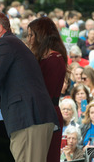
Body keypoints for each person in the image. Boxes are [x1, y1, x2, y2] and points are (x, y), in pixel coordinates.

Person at [0, 11, 59, 162]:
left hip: (29, 119)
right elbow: (8, 85)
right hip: (31, 119)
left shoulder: (5, 43)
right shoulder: (12, 44)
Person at [27, 16, 68, 162]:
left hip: (47, 116)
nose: (29, 39)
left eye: (32, 35)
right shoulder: (45, 58)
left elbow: (45, 93)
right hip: (41, 115)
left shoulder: (54, 59)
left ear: (41, 36)